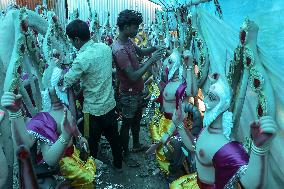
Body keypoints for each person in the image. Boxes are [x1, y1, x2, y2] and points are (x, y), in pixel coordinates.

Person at [62, 19, 123, 171]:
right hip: (109, 105)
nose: (71, 44)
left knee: (90, 141)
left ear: (76, 39)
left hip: (91, 112)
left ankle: (92, 171)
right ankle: (118, 165)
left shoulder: (81, 58)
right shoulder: (105, 48)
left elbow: (67, 81)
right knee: (114, 139)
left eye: (71, 41)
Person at [112, 9, 165, 165]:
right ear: (127, 27)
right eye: (135, 27)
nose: (137, 30)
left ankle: (135, 145)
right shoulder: (119, 49)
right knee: (126, 124)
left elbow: (141, 52)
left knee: (136, 120)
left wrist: (155, 48)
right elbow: (133, 76)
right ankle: (125, 154)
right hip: (128, 93)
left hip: (135, 91)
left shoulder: (127, 41)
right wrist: (152, 60)